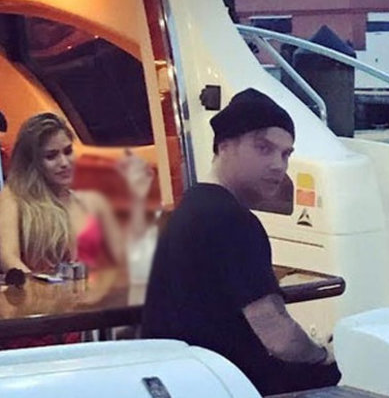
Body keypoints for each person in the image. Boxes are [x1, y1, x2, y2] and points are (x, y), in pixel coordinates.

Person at [142, 88, 340, 395]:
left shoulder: (192, 207)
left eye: (285, 154)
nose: (278, 165)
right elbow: (278, 336)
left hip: (179, 380)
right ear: (224, 146)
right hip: (224, 384)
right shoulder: (231, 220)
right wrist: (322, 356)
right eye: (263, 148)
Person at [0, 113, 154, 274]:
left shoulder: (91, 202)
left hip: (92, 288)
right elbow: (7, 257)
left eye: (68, 151)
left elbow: (122, 256)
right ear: (32, 162)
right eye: (51, 156)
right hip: (38, 289)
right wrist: (36, 286)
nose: (64, 163)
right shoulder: (14, 198)